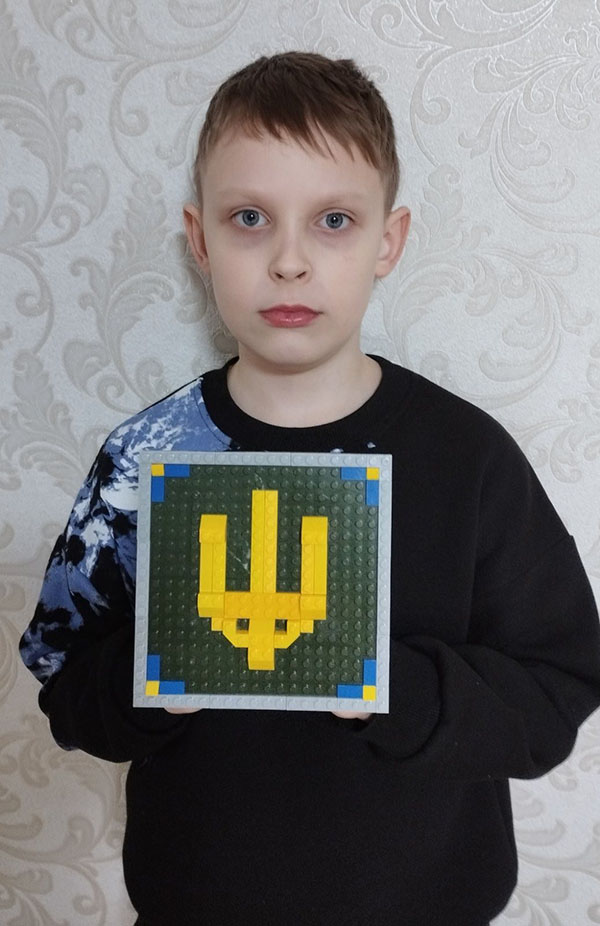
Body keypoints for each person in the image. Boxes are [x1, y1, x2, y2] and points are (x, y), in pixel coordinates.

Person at [20, 51, 600, 926]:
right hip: (197, 902)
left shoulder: (466, 458)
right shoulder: (144, 457)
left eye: (333, 220)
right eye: (250, 218)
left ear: (388, 241)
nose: (289, 261)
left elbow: (556, 689)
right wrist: (154, 678)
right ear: (201, 240)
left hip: (430, 905)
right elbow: (65, 685)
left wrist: (390, 685)